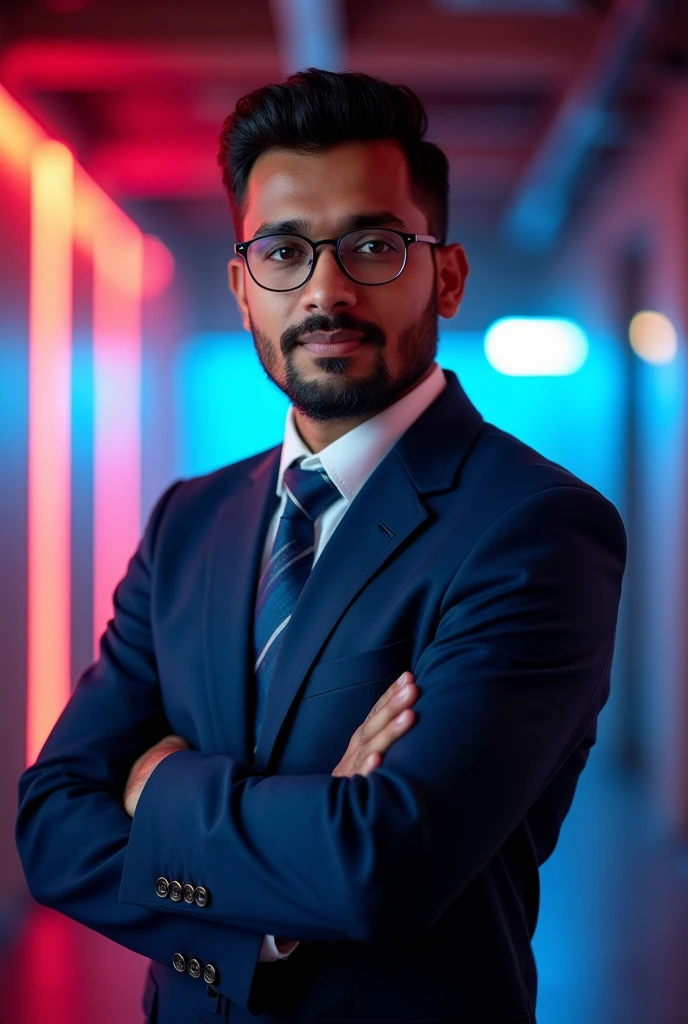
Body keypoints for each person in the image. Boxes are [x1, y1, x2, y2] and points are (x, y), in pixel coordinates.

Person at [16, 69, 627, 1024]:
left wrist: (161, 787)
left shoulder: (535, 527)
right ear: (242, 286)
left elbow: (385, 866)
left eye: (374, 245)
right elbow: (52, 822)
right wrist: (296, 852)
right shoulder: (189, 521)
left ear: (448, 276)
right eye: (284, 251)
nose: (327, 289)